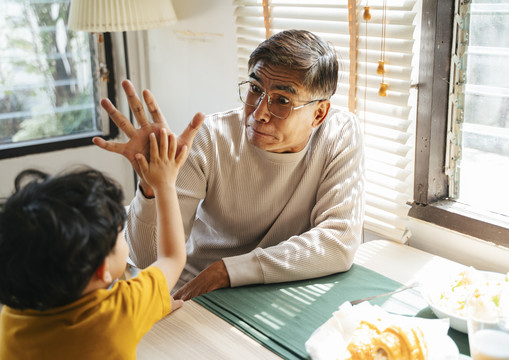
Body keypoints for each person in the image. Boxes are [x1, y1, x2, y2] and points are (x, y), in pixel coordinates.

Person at [94, 29, 364, 301]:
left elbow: (339, 243)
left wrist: (228, 269)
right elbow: (146, 258)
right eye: (255, 89)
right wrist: (152, 188)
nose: (258, 113)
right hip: (197, 288)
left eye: (282, 100)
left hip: (274, 289)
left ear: (319, 113)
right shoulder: (211, 137)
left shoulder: (340, 134)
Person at [0, 127, 201, 359]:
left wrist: (155, 305)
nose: (122, 235)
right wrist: (165, 184)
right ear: (102, 269)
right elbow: (172, 257)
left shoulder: (12, 317)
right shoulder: (120, 312)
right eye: (118, 233)